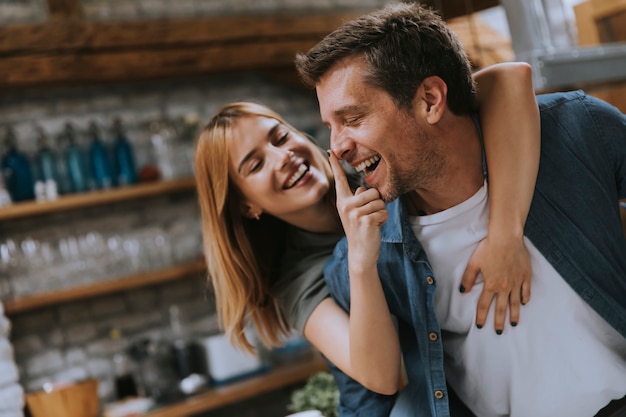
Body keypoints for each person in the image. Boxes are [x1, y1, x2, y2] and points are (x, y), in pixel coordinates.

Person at [295, 2, 626, 417]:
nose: (337, 146)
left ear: (430, 100)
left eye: (353, 118)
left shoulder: (578, 130)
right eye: (331, 126)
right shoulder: (363, 261)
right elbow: (365, 402)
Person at [194, 64, 540, 396]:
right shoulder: (298, 279)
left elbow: (508, 79)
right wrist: (360, 261)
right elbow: (382, 377)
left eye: (280, 137)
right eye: (256, 164)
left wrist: (504, 237)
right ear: (246, 206)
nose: (282, 156)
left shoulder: (372, 165)